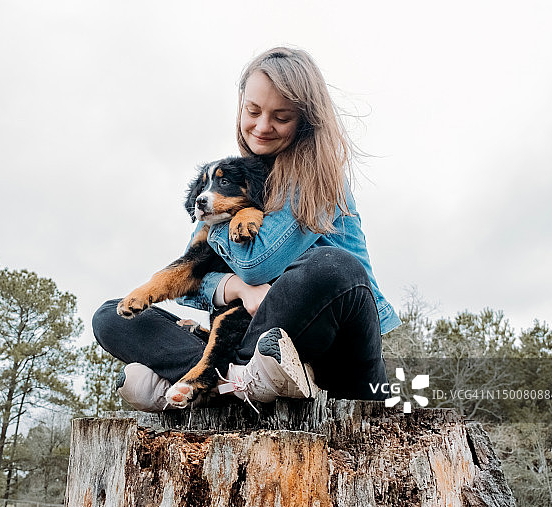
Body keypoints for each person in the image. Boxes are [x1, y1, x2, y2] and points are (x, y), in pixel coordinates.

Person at [92, 46, 401, 411]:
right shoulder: (232, 177)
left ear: (305, 120)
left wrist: (218, 218)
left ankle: (193, 379)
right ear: (241, 104)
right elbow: (190, 288)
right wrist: (237, 287)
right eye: (253, 111)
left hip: (335, 350)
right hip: (255, 340)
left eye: (281, 117)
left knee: (334, 266)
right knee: (110, 316)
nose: (262, 126)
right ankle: (226, 378)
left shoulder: (319, 177)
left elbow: (259, 263)